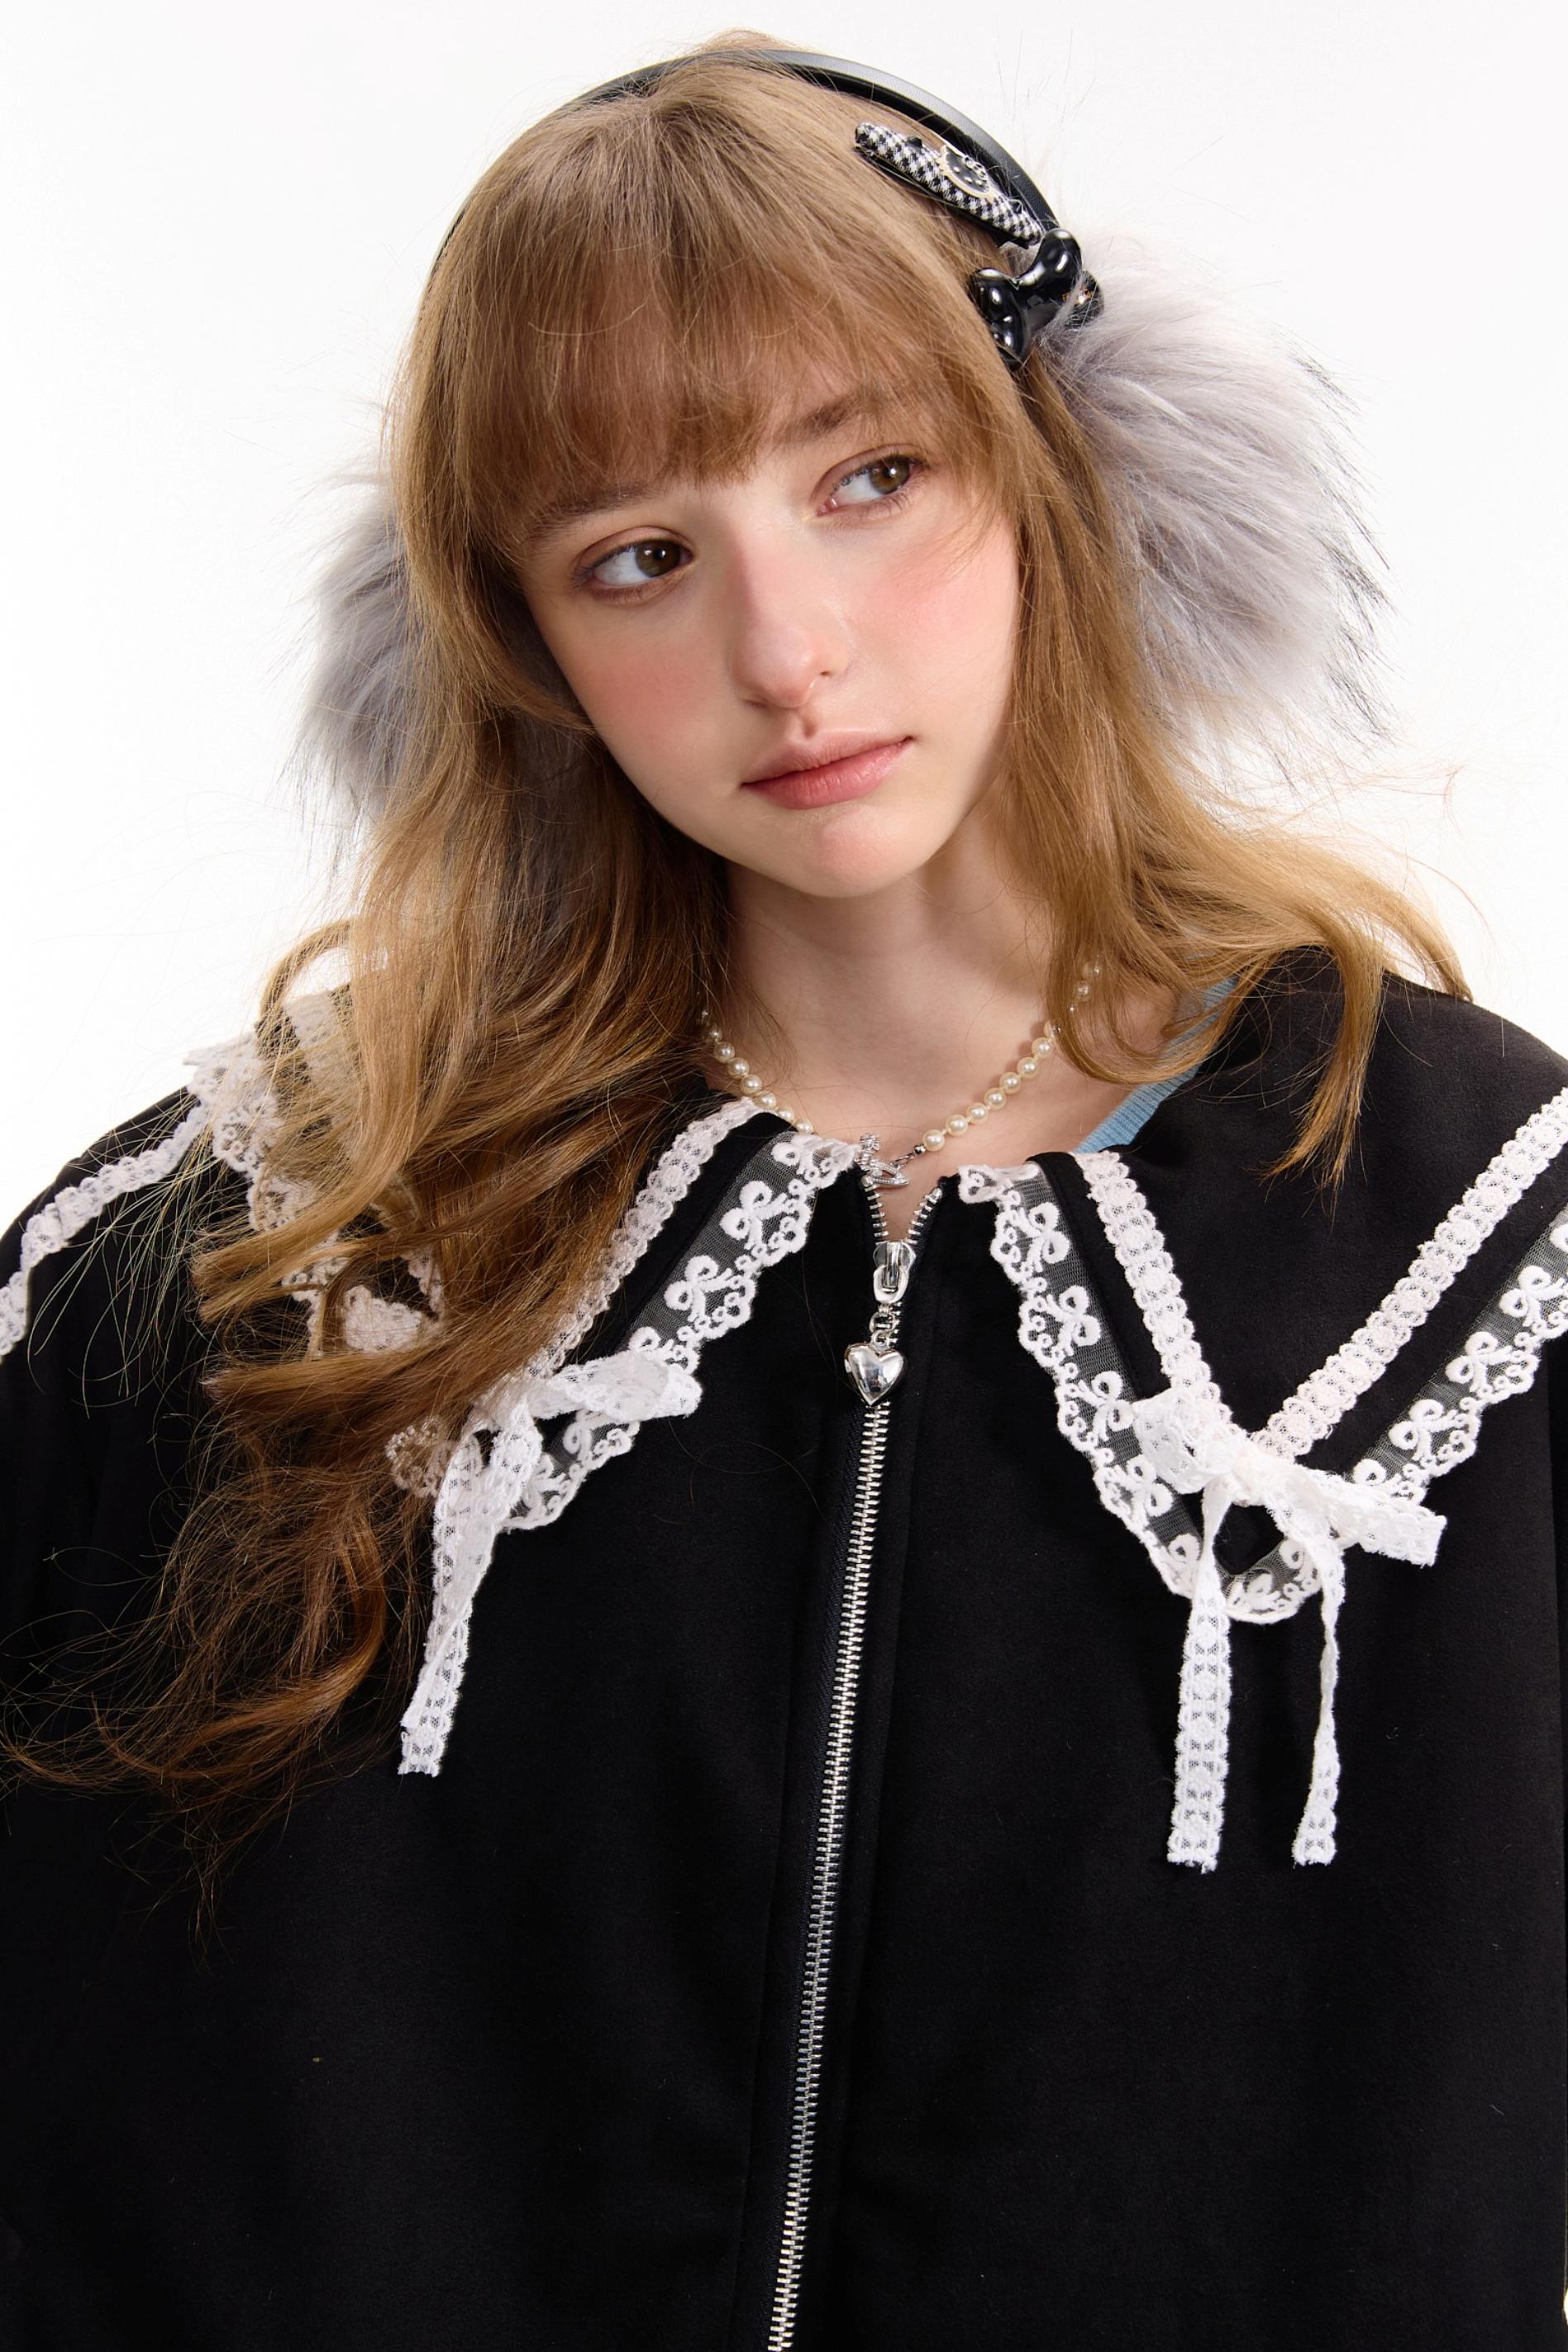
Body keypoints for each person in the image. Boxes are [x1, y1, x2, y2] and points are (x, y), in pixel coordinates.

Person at [2, 35, 1565, 2351]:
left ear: (1061, 470)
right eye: (640, 556)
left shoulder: (1480, 1244)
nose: (784, 650)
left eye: (869, 478)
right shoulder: (245, 1265)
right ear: (528, 649)